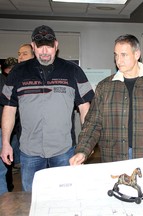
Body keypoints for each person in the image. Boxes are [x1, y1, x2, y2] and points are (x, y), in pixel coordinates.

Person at [0, 25, 94, 192]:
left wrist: (85, 145)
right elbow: (9, 109)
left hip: (64, 151)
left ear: (56, 45)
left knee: (65, 196)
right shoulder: (18, 72)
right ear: (33, 46)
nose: (44, 51)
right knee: (32, 198)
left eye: (48, 46)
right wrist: (6, 143)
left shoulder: (73, 71)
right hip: (30, 152)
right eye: (40, 46)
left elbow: (85, 108)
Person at [70, 34, 143, 165]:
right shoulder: (105, 87)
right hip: (114, 157)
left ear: (137, 54)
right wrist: (82, 150)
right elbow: (93, 124)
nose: (118, 60)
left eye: (124, 55)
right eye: (116, 55)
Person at [0, 57, 19, 192]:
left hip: (8, 127)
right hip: (5, 127)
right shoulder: (7, 81)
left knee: (5, 163)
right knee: (3, 167)